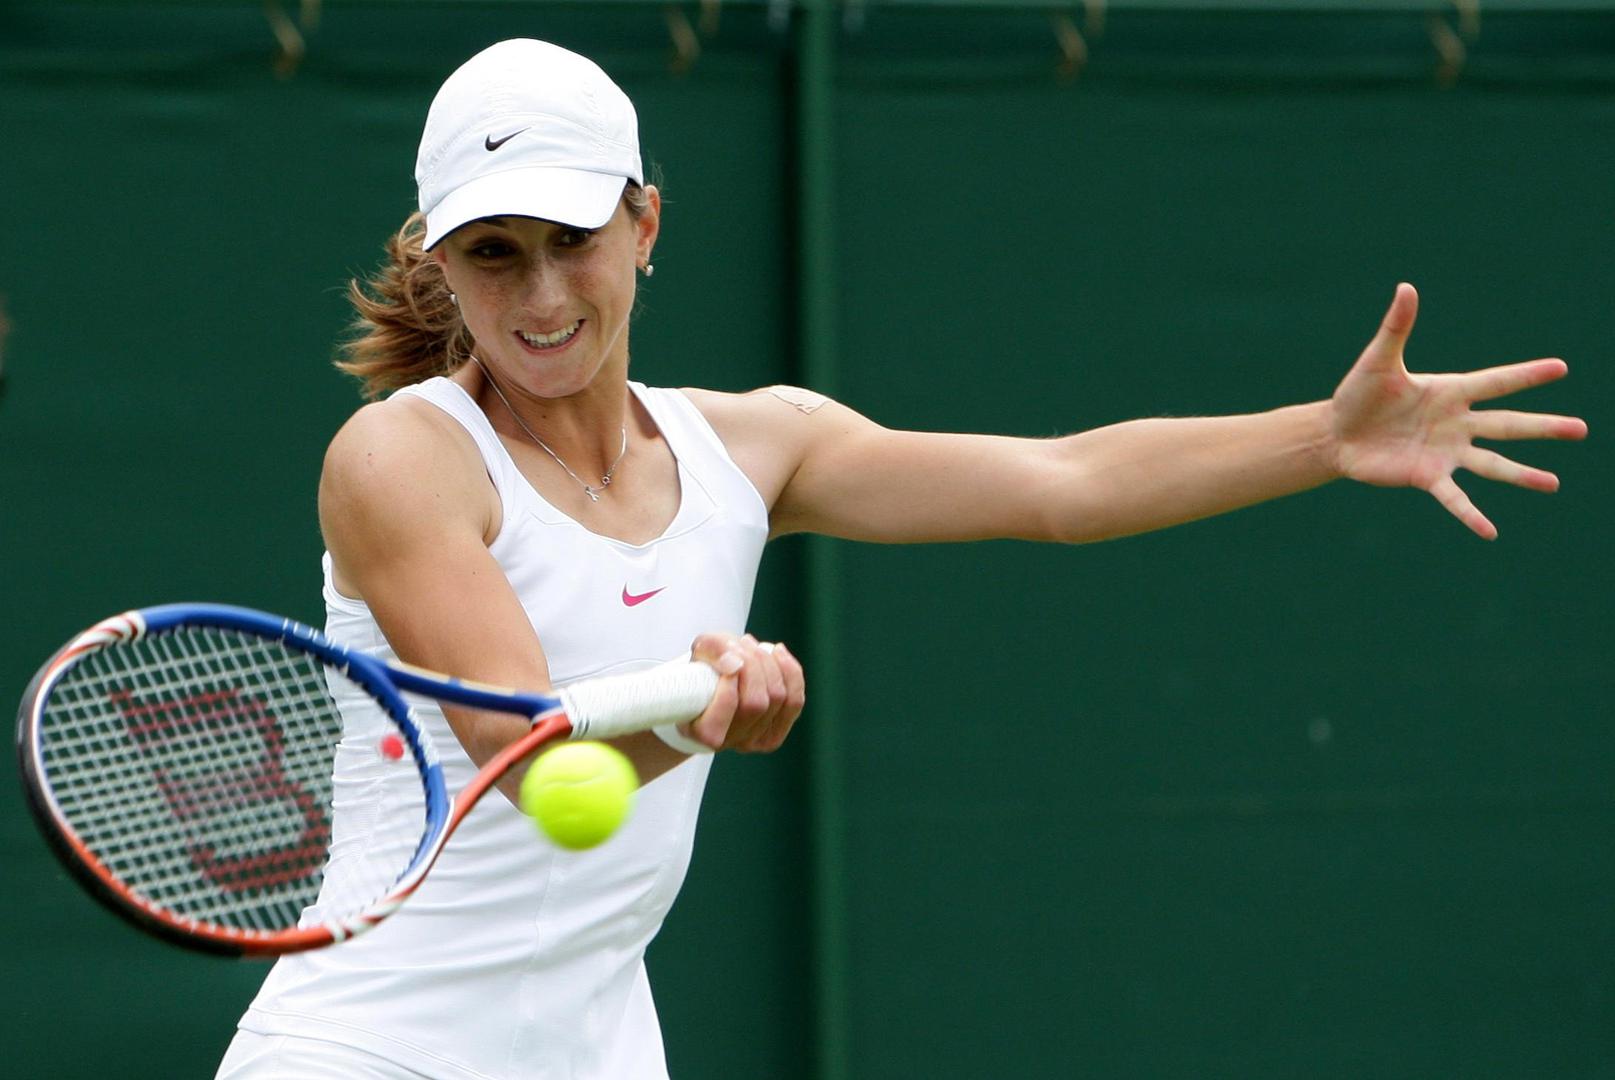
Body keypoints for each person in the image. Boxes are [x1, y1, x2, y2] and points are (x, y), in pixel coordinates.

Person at [218, 37, 1585, 1080]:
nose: (540, 294)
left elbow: (1063, 484)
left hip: (595, 1048)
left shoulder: (756, 448)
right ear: (440, 266)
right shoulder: (401, 458)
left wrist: (1327, 438)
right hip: (364, 1054)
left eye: (572, 242)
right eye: (493, 254)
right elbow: (532, 764)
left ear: (644, 226)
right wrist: (701, 717)